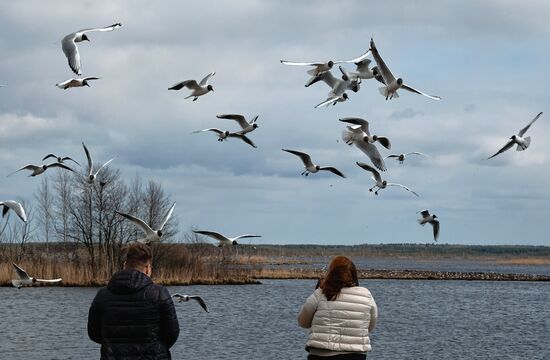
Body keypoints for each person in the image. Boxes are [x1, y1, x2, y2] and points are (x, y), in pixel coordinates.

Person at [88, 243, 180, 360]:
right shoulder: (160, 294)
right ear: (147, 268)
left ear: (125, 265)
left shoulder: (102, 295)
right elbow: (171, 334)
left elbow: (93, 333)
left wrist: (114, 344)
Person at [298, 256, 377, 360]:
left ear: (331, 273)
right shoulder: (366, 295)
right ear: (354, 275)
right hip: (355, 355)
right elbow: (370, 327)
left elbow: (303, 322)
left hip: (321, 354)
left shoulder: (321, 293)